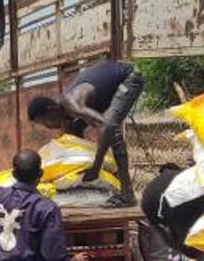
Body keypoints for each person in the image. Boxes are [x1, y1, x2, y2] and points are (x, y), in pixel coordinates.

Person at [26, 58, 146, 207]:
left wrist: (97, 164)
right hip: (106, 89)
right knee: (76, 130)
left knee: (112, 129)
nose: (49, 127)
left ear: (51, 110)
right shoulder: (65, 115)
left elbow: (105, 125)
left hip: (128, 77)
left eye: (46, 122)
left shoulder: (73, 104)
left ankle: (127, 194)